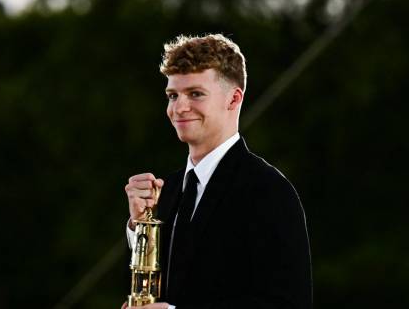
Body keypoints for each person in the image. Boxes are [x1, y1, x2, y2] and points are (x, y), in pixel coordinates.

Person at [122, 34, 312, 309]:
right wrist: (138, 226)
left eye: (195, 94)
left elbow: (287, 303)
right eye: (173, 95)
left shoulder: (269, 190)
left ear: (234, 99)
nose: (179, 107)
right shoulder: (167, 190)